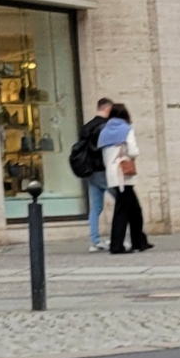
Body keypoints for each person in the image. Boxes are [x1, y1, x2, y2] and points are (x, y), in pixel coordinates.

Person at [101, 102, 151, 253]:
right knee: (123, 211)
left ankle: (139, 241)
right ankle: (118, 245)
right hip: (123, 174)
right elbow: (134, 151)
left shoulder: (104, 132)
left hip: (112, 173)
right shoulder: (126, 129)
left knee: (133, 209)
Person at [71, 97, 114, 250]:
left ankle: (95, 241)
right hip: (102, 169)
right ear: (107, 109)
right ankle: (117, 237)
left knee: (96, 207)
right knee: (123, 200)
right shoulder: (104, 127)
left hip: (89, 171)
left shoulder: (86, 127)